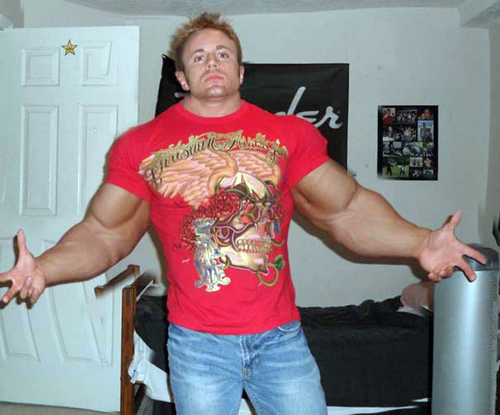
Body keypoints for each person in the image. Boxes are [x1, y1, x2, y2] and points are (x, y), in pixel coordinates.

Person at [0, 12, 486, 415]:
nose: (212, 62)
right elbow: (104, 233)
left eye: (222, 54)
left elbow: (347, 210)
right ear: (181, 77)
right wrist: (45, 268)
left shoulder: (288, 135)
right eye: (198, 56)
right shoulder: (141, 145)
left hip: (280, 339)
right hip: (198, 345)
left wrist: (421, 242)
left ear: (240, 71)